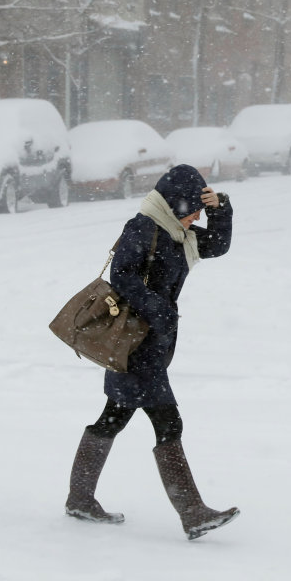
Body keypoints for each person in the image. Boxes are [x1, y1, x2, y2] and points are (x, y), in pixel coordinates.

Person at [64, 164, 239, 540]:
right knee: (169, 423)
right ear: (174, 203)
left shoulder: (180, 234)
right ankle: (192, 512)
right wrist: (158, 309)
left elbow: (219, 245)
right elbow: (122, 276)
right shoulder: (143, 227)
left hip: (150, 346)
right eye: (193, 207)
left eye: (198, 209)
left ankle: (79, 497)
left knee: (112, 418)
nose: (196, 216)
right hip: (136, 346)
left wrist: (219, 207)